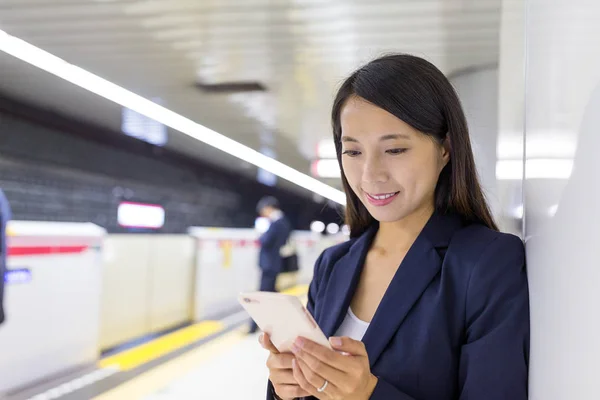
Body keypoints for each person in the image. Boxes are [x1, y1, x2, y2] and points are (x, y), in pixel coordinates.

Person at [260, 54, 530, 400]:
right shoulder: (333, 266)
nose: (371, 174)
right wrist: (286, 389)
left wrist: (368, 394)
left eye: (395, 149)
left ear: (445, 149)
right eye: (353, 152)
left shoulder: (486, 263)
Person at [249, 196, 293, 334]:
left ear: (269, 208)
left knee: (261, 296)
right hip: (275, 263)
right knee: (271, 294)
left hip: (269, 264)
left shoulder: (276, 223)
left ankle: (253, 327)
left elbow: (266, 241)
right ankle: (285, 320)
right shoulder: (284, 222)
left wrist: (261, 234)